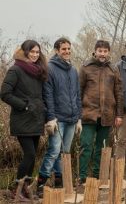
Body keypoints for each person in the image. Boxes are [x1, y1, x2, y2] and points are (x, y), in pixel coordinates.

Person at [0, 40, 48, 201]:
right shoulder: (16, 69)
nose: (35, 55)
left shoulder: (38, 71)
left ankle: (25, 189)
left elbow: (39, 96)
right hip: (22, 119)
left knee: (33, 157)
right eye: (31, 52)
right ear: (25, 52)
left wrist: (45, 114)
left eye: (37, 52)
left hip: (36, 119)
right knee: (29, 154)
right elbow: (5, 93)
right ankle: (16, 189)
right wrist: (24, 106)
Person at [37, 38, 82, 196]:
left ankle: (59, 182)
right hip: (57, 118)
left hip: (71, 118)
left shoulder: (73, 70)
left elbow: (77, 96)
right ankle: (40, 184)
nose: (67, 51)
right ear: (57, 50)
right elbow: (47, 96)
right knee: (54, 150)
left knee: (64, 152)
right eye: (64, 49)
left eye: (69, 49)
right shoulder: (50, 68)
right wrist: (51, 118)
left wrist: (79, 118)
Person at [79, 40, 123, 183]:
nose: (102, 54)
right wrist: (77, 113)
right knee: (86, 146)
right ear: (95, 51)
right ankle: (82, 176)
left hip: (107, 115)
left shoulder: (113, 69)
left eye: (105, 51)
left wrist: (119, 114)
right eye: (100, 51)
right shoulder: (86, 68)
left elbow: (119, 92)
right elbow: (78, 91)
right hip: (88, 113)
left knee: (102, 147)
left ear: (108, 52)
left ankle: (97, 176)